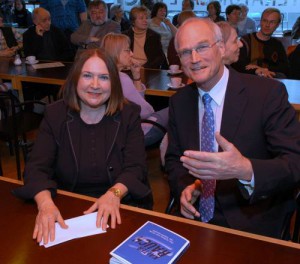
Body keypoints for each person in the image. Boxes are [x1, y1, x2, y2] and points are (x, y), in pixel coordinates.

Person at [165, 17, 300, 239]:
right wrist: (188, 186)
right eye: (185, 52)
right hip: (194, 218)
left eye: (201, 47)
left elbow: (295, 163)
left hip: (252, 219)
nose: (195, 59)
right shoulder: (179, 102)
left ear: (220, 47)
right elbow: (174, 159)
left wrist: (246, 169)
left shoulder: (266, 94)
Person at [13, 48, 153, 245]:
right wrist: (45, 204)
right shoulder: (55, 115)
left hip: (121, 206)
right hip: (67, 208)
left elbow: (136, 167)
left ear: (113, 83)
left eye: (104, 77)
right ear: (75, 78)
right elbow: (36, 168)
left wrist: (114, 194)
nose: (95, 85)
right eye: (87, 76)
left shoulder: (129, 114)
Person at [102, 33, 168, 146]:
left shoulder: (103, 75)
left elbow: (135, 103)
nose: (132, 53)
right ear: (115, 53)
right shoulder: (122, 79)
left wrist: (136, 76)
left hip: (112, 135)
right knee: (175, 109)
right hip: (134, 134)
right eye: (127, 50)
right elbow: (147, 112)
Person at [232, 8, 289, 78]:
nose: (267, 25)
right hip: (249, 79)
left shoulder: (277, 44)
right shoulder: (246, 41)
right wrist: (257, 70)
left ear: (277, 25)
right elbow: (238, 65)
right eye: (265, 21)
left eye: (272, 22)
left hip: (271, 80)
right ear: (260, 22)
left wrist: (261, 69)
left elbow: (285, 68)